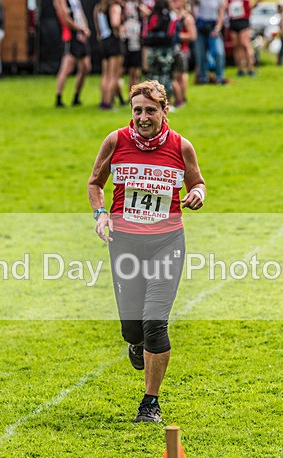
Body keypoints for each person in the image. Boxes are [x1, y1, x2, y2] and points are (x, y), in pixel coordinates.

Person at [87, 80, 206, 423]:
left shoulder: (182, 147)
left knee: (155, 321)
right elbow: (95, 183)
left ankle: (149, 403)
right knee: (133, 329)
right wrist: (101, 214)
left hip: (167, 243)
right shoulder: (116, 141)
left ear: (165, 111)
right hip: (124, 243)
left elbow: (197, 182)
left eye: (150, 110)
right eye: (137, 110)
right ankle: (136, 344)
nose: (142, 117)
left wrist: (199, 194)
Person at [54, 0, 92, 107]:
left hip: (80, 36)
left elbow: (81, 14)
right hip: (71, 36)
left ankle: (76, 97)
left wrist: (85, 28)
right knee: (67, 68)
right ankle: (58, 97)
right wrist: (79, 28)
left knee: (86, 67)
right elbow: (65, 18)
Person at [143, 0, 178, 100]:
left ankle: (153, 99)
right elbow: (171, 33)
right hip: (165, 50)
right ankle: (166, 100)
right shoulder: (171, 15)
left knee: (154, 76)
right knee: (166, 75)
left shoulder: (152, 15)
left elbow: (146, 33)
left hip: (153, 49)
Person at [95, 0, 124, 109]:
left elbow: (97, 26)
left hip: (104, 41)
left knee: (105, 75)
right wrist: (119, 32)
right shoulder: (114, 7)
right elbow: (115, 22)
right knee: (113, 75)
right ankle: (108, 102)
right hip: (113, 42)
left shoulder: (99, 8)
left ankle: (103, 100)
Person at [193, 0, 227, 85]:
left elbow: (221, 13)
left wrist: (217, 28)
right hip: (200, 26)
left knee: (218, 52)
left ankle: (219, 77)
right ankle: (203, 78)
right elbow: (193, 7)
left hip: (213, 26)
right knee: (201, 54)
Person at [172, 0, 196, 108]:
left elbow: (192, 35)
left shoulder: (187, 17)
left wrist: (177, 35)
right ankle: (179, 99)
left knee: (181, 75)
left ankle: (181, 98)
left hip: (182, 50)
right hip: (174, 49)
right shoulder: (172, 15)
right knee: (175, 76)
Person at [227, 0, 255, 77]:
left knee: (245, 44)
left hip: (243, 21)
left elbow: (252, 5)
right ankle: (240, 69)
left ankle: (250, 68)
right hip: (233, 21)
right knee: (236, 46)